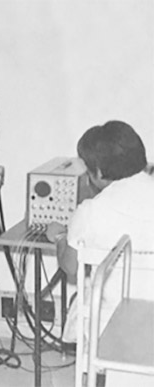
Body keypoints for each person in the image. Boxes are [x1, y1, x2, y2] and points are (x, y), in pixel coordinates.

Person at [46, 120, 154, 342]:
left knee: (82, 297)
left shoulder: (91, 211)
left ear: (99, 172)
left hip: (110, 326)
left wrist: (59, 236)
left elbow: (71, 267)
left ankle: (95, 374)